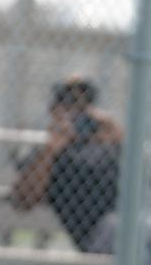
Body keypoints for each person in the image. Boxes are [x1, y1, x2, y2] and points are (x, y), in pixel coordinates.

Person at [12, 77, 125, 253]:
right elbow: (23, 200)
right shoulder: (45, 152)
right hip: (103, 234)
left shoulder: (109, 143)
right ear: (54, 110)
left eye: (85, 105)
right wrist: (52, 149)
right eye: (69, 104)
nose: (77, 113)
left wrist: (119, 138)